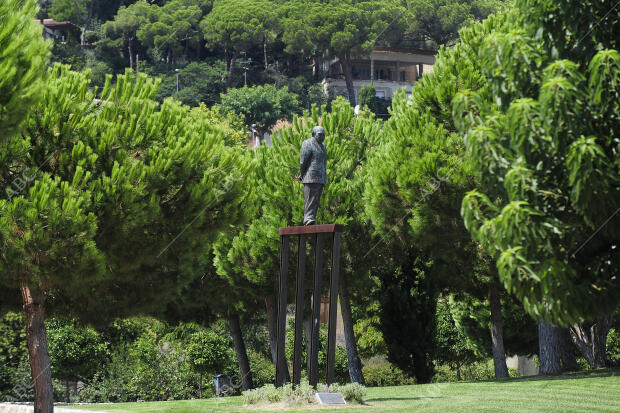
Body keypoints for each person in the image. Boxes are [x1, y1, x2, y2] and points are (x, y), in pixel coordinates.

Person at [299, 126, 327, 225]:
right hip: (310, 176)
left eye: (323, 134)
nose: (322, 136)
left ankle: (312, 218)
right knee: (310, 199)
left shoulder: (323, 146)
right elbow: (303, 161)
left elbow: (324, 162)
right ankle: (308, 219)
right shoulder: (307, 143)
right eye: (320, 134)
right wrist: (302, 174)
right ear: (313, 134)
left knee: (315, 201)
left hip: (320, 178)